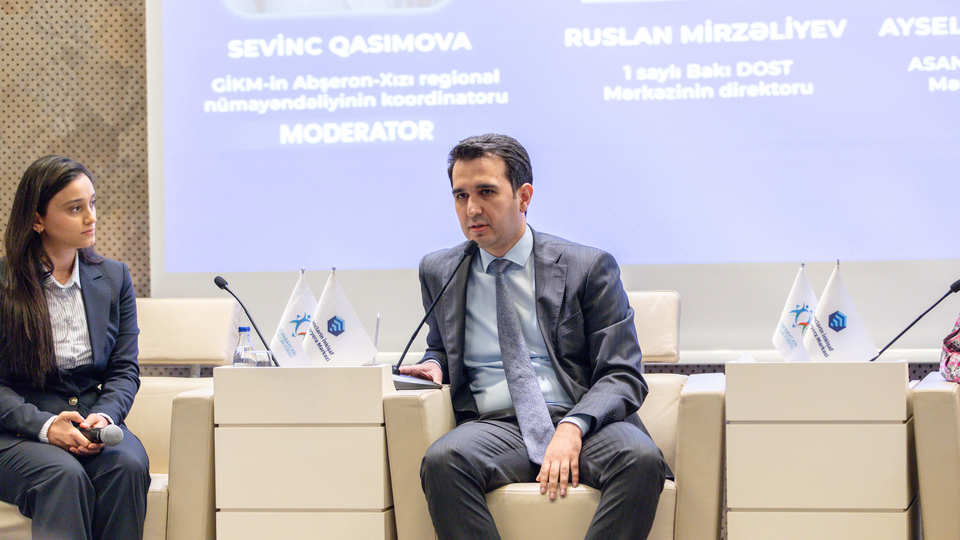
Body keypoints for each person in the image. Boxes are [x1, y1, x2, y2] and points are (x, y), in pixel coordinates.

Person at [399, 134, 667, 539]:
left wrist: (573, 426)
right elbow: (440, 346)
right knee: (443, 461)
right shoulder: (440, 270)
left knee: (641, 459)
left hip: (584, 421)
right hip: (496, 426)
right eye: (461, 195)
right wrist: (433, 364)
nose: (472, 209)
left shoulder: (588, 266)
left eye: (486, 192)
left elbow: (622, 373)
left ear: (523, 196)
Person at [0, 155, 149, 539]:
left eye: (92, 204)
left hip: (90, 420)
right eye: (75, 208)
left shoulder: (115, 278)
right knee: (62, 475)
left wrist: (105, 416)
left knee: (127, 466)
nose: (91, 217)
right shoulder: (4, 283)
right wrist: (46, 426)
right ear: (37, 220)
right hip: (15, 430)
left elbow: (124, 370)